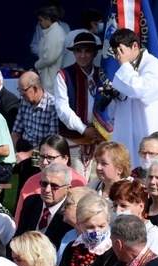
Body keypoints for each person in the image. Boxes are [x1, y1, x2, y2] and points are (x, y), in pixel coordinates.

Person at [107, 28, 158, 167]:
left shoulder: (152, 64)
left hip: (150, 128)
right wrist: (113, 94)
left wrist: (125, 66)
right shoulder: (125, 67)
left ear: (134, 46)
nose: (118, 57)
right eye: (115, 53)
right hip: (131, 130)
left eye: (121, 51)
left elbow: (143, 92)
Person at [55, 32, 104, 182]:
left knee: (99, 182)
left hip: (100, 136)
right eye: (79, 51)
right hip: (74, 137)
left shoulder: (102, 75)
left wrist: (103, 129)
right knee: (76, 182)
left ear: (95, 52)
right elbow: (62, 108)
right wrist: (83, 129)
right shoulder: (64, 75)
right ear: (74, 53)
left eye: (87, 51)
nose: (83, 55)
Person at [14, 134, 87, 223]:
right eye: (41, 157)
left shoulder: (79, 184)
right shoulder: (31, 182)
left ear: (65, 158)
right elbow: (19, 219)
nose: (44, 162)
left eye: (50, 158)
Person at [11, 71, 59, 193]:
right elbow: (16, 131)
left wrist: (27, 155)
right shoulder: (24, 102)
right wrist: (16, 152)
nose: (21, 94)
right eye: (20, 90)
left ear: (35, 88)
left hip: (42, 152)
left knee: (33, 182)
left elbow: (51, 142)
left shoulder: (52, 106)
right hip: (23, 148)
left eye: (23, 90)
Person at [14, 162, 73, 249]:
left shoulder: (69, 214)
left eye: (54, 186)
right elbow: (19, 237)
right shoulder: (31, 202)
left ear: (67, 189)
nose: (47, 190)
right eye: (44, 184)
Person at [109, 179, 158, 262]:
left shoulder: (153, 236)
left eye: (124, 206)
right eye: (115, 205)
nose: (118, 211)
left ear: (140, 207)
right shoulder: (114, 229)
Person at [34, 6, 67, 96]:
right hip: (48, 78)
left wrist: (36, 65)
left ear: (48, 20)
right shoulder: (50, 32)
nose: (39, 23)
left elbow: (49, 58)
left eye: (40, 20)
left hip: (51, 81)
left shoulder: (55, 33)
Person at [56, 186, 93, 264]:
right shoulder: (69, 235)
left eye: (67, 204)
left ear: (82, 207)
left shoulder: (101, 236)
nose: (62, 209)